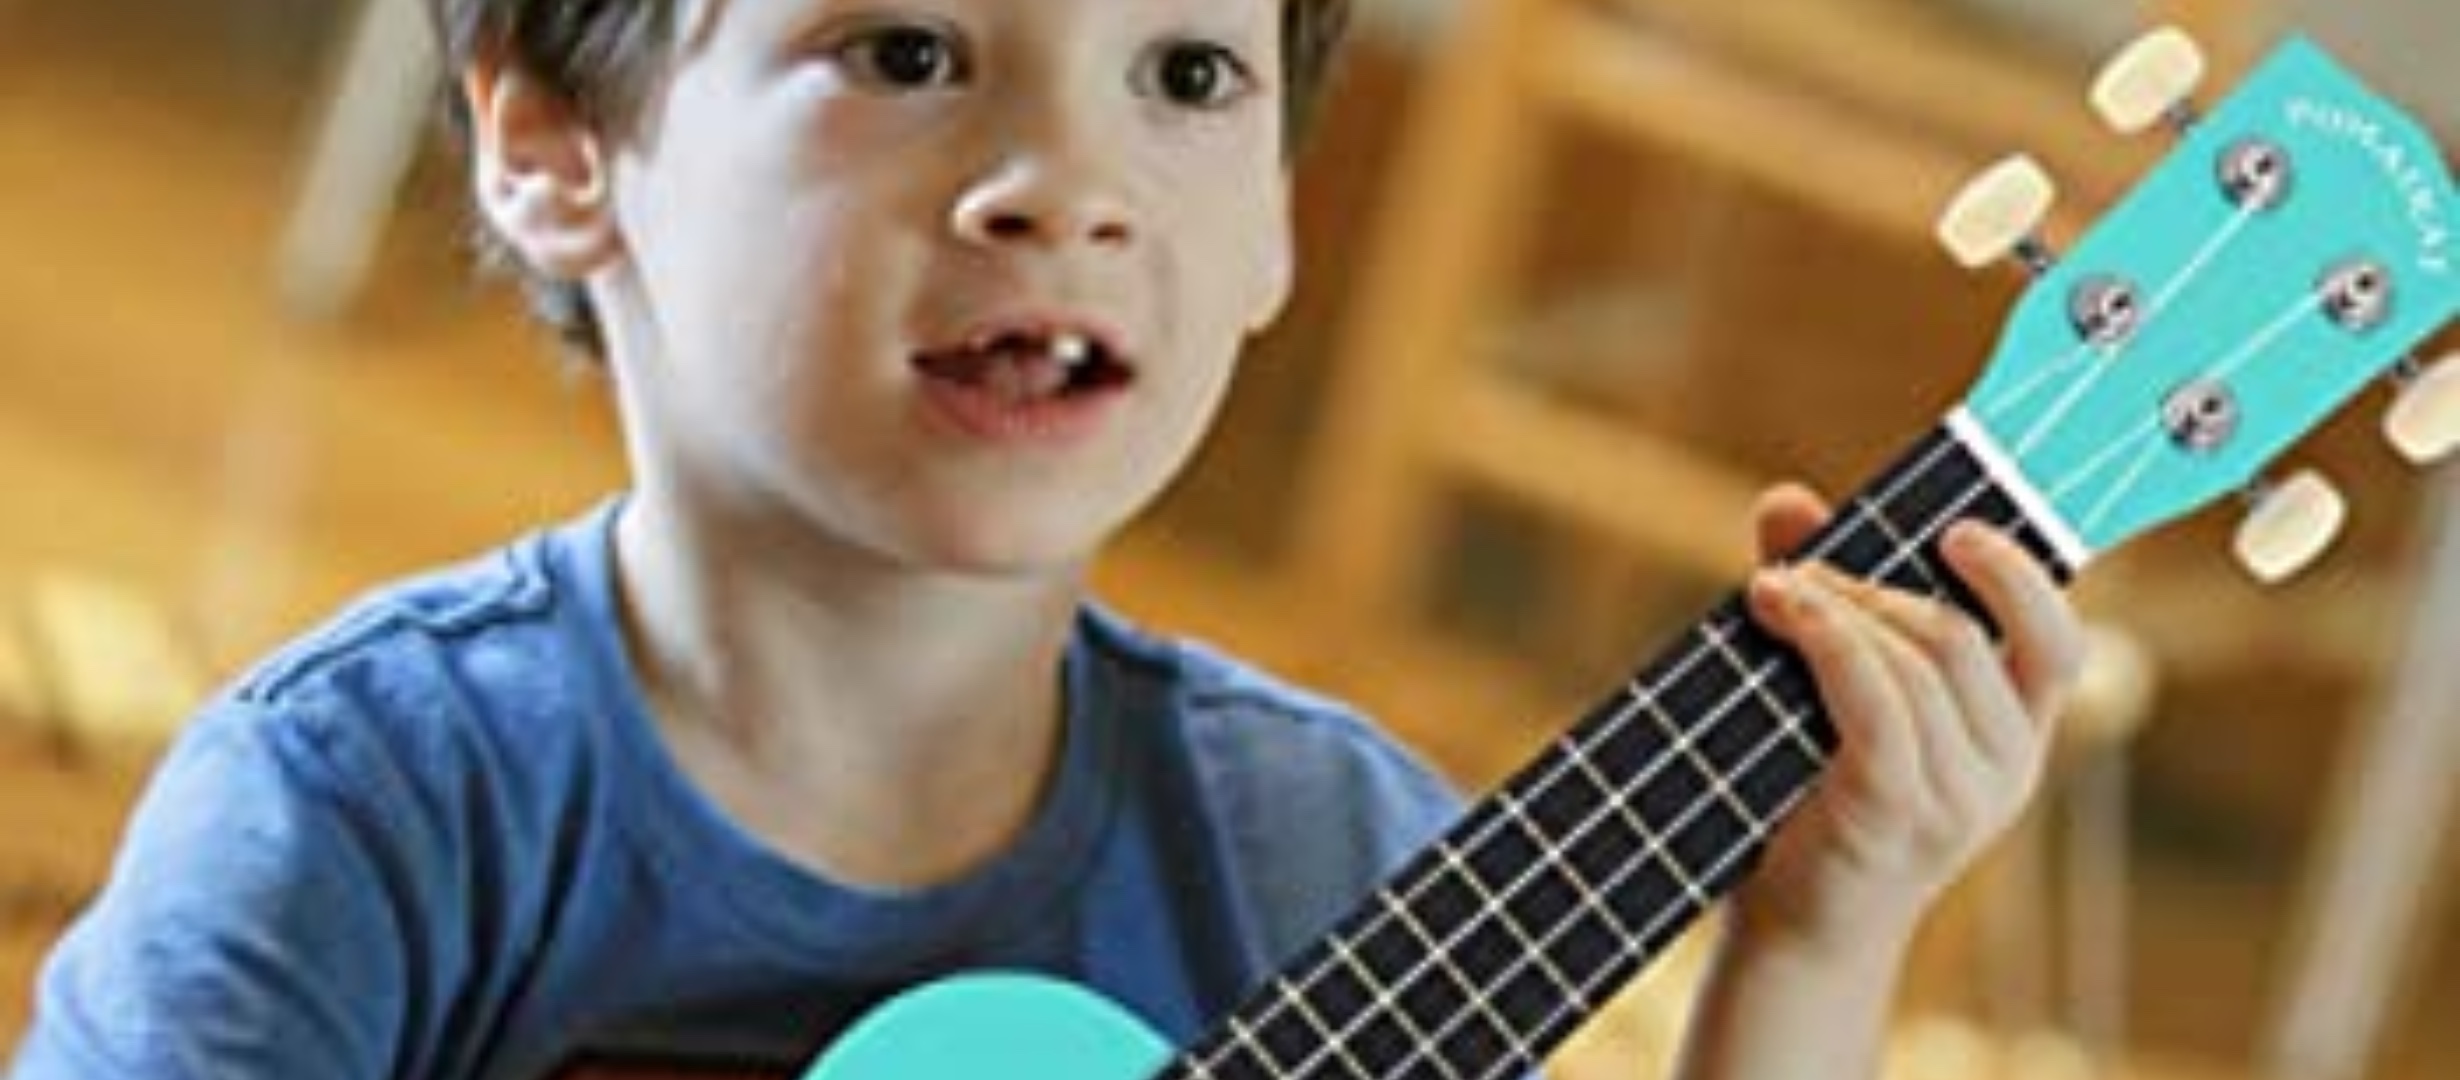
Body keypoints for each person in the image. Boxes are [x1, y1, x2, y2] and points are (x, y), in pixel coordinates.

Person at [9, 0, 2085, 1077]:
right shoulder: (370, 804)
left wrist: (1820, 940)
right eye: (908, 54)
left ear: (1278, 216)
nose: (1065, 184)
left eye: (1185, 72)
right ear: (558, 144)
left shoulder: (1330, 873)